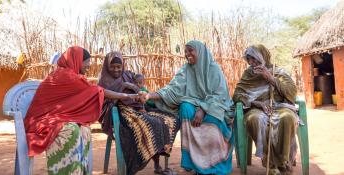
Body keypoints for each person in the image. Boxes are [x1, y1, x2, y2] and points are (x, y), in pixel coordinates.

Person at [24, 46, 138, 175]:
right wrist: (125, 96)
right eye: (87, 63)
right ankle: (64, 171)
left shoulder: (71, 75)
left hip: (55, 117)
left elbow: (89, 93)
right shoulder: (66, 76)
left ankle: (78, 171)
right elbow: (97, 91)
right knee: (70, 130)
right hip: (41, 121)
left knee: (84, 129)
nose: (88, 67)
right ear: (76, 60)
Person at [140, 40, 235, 175]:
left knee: (213, 118)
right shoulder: (186, 69)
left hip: (216, 106)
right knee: (185, 107)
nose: (187, 54)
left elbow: (220, 95)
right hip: (196, 104)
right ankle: (195, 163)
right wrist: (149, 96)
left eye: (191, 50)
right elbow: (172, 90)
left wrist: (203, 110)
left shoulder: (213, 68)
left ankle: (213, 165)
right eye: (185, 51)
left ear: (200, 51)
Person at [98, 51, 180, 175]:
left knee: (167, 120)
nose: (116, 70)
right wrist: (122, 89)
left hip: (139, 109)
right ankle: (152, 165)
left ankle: (158, 166)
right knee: (150, 124)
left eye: (119, 67)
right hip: (120, 114)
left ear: (123, 66)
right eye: (113, 67)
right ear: (107, 66)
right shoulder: (104, 81)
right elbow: (105, 106)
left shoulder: (128, 75)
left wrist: (131, 86)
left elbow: (140, 87)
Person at [233, 44, 299, 175]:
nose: (251, 63)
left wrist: (270, 78)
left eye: (254, 58)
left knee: (287, 117)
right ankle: (269, 164)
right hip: (256, 109)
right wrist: (257, 103)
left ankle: (282, 161)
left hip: (280, 107)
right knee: (256, 119)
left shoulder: (278, 71)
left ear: (263, 57)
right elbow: (237, 95)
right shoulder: (248, 74)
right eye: (248, 59)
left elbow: (292, 92)